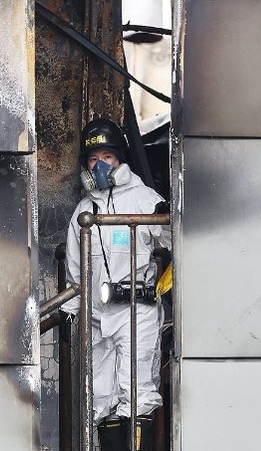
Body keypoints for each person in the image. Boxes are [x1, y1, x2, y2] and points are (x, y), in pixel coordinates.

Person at [61, 117, 171, 451]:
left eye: (106, 158)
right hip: (97, 316)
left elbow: (175, 241)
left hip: (137, 311)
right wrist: (70, 312)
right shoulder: (85, 209)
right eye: (93, 160)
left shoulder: (145, 200)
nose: (99, 166)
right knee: (102, 395)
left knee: (136, 391)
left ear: (120, 160)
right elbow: (75, 271)